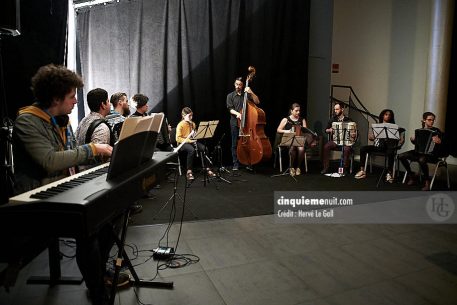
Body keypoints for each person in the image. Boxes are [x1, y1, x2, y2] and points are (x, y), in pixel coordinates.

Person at [11, 64, 117, 305]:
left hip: (62, 191)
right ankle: (98, 293)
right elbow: (49, 161)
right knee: (87, 230)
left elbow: (69, 156)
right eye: (72, 96)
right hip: (36, 201)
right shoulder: (27, 122)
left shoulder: (60, 120)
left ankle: (98, 274)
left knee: (107, 220)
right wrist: (93, 149)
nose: (76, 102)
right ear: (56, 98)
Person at [354, 109, 404, 182]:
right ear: (382, 115)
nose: (388, 116)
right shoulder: (377, 126)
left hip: (389, 147)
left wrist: (400, 139)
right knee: (363, 148)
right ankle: (362, 171)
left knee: (391, 152)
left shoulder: (394, 127)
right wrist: (372, 136)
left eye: (390, 115)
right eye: (386, 114)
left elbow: (401, 140)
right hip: (378, 147)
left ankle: (389, 174)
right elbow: (370, 138)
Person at [398, 112, 443, 191]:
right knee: (401, 156)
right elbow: (417, 144)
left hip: (431, 154)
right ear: (424, 120)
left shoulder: (436, 131)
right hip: (418, 152)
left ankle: (427, 182)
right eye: (429, 120)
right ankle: (411, 175)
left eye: (433, 120)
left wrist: (440, 141)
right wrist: (412, 140)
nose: (432, 121)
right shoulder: (419, 130)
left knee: (421, 159)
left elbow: (443, 145)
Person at [226, 76, 260, 170]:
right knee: (234, 144)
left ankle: (248, 163)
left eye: (240, 85)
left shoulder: (247, 95)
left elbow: (257, 101)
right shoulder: (230, 96)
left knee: (248, 143)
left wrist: (251, 92)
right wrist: (238, 113)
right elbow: (230, 109)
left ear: (242, 85)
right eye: (236, 84)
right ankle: (235, 164)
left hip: (247, 124)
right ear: (234, 84)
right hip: (235, 123)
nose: (238, 86)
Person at [76, 88, 113, 169]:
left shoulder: (83, 120)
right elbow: (98, 159)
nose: (110, 104)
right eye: (108, 101)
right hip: (91, 175)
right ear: (103, 105)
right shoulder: (102, 127)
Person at [176, 107, 215, 180]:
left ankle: (207, 168)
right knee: (191, 150)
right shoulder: (180, 125)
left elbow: (194, 136)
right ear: (184, 116)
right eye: (189, 116)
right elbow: (178, 138)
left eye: (192, 116)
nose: (191, 117)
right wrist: (189, 140)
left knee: (204, 148)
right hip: (182, 143)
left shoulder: (193, 124)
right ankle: (189, 171)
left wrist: (196, 134)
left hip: (192, 141)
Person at [276, 103, 315, 176]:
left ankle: (298, 167)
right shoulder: (286, 119)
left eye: (299, 111)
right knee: (292, 148)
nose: (298, 112)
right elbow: (278, 130)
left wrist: (303, 131)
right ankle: (291, 167)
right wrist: (287, 131)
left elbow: (305, 130)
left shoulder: (302, 119)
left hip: (299, 139)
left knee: (301, 149)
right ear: (291, 111)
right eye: (296, 111)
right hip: (289, 139)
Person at [321, 102, 355, 174]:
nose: (335, 111)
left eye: (337, 109)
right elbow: (325, 130)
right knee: (326, 146)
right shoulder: (332, 119)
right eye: (334, 109)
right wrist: (329, 130)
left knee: (347, 148)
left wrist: (353, 134)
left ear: (342, 109)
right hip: (336, 140)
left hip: (346, 141)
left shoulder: (349, 120)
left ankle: (344, 168)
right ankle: (326, 167)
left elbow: (354, 132)